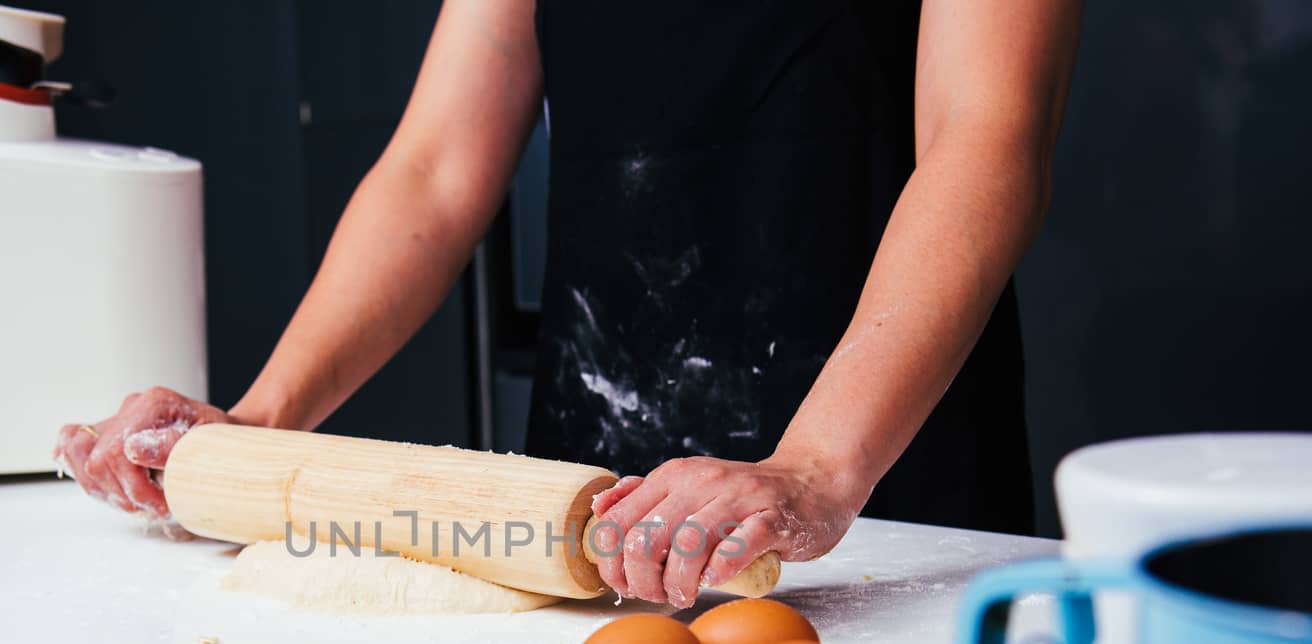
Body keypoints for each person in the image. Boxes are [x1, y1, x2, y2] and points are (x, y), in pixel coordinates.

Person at [57, 0, 1082, 610]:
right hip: (586, 501)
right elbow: (435, 167)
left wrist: (815, 466)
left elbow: (984, 139)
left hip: (876, 481)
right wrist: (260, 421)